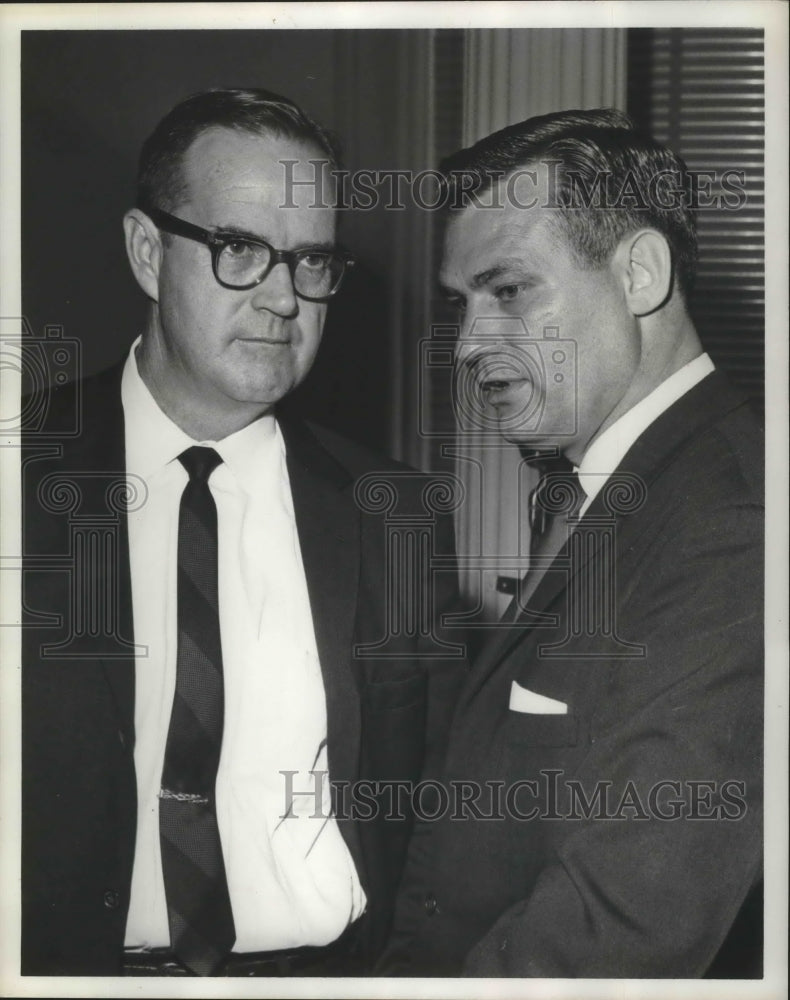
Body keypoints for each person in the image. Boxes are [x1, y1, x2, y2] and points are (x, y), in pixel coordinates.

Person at [21, 88, 463, 977]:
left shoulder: (397, 515)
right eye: (239, 249)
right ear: (148, 253)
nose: (282, 299)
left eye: (312, 263)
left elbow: (426, 818)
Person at [381, 109, 763, 977]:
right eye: (461, 304)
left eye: (509, 290)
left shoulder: (737, 527)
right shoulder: (599, 494)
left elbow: (619, 929)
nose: (470, 343)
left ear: (639, 273)